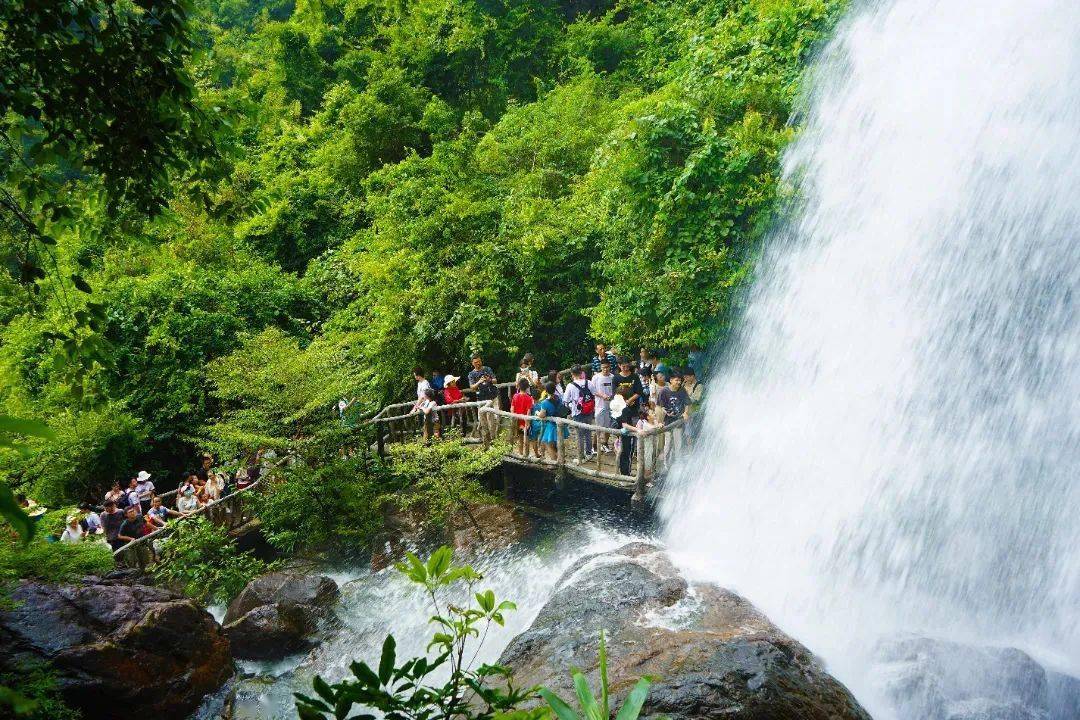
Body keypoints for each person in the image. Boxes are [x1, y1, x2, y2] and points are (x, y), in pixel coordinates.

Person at [562, 365, 595, 461]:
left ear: (572, 374)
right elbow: (593, 394)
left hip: (577, 412)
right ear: (581, 372)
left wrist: (572, 406)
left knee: (580, 435)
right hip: (589, 411)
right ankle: (589, 453)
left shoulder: (570, 386)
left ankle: (580, 456)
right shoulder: (588, 382)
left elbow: (565, 401)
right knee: (588, 432)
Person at [468, 355, 499, 444]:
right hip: (481, 399)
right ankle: (486, 439)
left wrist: (489, 379)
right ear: (472, 363)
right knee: (482, 420)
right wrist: (479, 382)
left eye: (479, 361)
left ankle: (493, 439)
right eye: (475, 362)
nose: (478, 363)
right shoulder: (471, 374)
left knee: (492, 419)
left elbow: (495, 380)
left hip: (492, 397)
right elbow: (472, 387)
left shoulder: (487, 369)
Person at [533, 381, 565, 460]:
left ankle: (555, 461)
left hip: (551, 425)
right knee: (558, 443)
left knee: (548, 444)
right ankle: (562, 459)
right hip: (560, 423)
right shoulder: (559, 398)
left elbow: (542, 415)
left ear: (546, 391)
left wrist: (537, 412)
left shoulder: (545, 402)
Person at [589, 360, 616, 453]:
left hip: (611, 405)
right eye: (603, 367)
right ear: (601, 367)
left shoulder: (612, 377)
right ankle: (594, 446)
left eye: (607, 367)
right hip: (600, 405)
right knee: (599, 426)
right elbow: (593, 391)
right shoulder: (596, 377)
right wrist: (602, 395)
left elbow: (615, 390)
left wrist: (611, 397)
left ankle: (605, 443)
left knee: (608, 426)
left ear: (610, 367)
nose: (605, 369)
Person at [613, 387, 640, 476]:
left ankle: (624, 473)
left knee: (623, 454)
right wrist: (638, 430)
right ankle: (625, 475)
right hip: (627, 434)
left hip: (620, 433)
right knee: (627, 455)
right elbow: (625, 424)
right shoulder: (625, 409)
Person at [509, 378, 535, 456]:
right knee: (526, 440)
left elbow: (512, 409)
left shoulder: (515, 396)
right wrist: (527, 423)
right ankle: (526, 455)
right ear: (527, 387)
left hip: (517, 420)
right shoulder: (529, 398)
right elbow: (528, 412)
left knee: (520, 439)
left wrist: (514, 420)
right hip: (525, 421)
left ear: (519, 386)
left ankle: (520, 453)